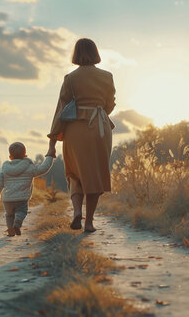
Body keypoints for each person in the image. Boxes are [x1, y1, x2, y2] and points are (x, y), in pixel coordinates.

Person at [47, 38, 116, 233]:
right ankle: (89, 223)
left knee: (75, 173)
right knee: (95, 174)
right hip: (100, 128)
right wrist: (98, 110)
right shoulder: (107, 76)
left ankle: (77, 211)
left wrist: (52, 142)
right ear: (96, 52)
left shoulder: (70, 78)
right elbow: (109, 105)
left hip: (76, 129)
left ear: (75, 53)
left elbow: (61, 110)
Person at [0, 142, 55, 236]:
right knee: (22, 211)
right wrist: (50, 156)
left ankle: (11, 230)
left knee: (9, 215)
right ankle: (17, 222)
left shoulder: (4, 169)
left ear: (10, 157)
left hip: (8, 199)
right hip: (22, 198)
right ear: (25, 155)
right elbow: (43, 168)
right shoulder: (29, 167)